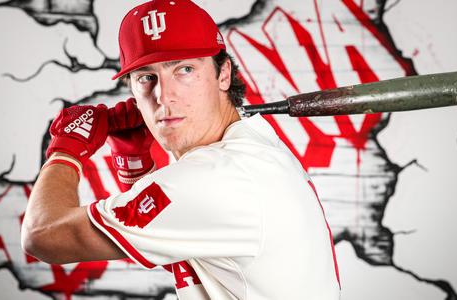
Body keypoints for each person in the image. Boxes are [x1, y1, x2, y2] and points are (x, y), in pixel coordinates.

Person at [21, 0, 340, 299]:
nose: (163, 95)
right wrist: (133, 161)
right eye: (147, 77)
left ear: (223, 74)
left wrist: (65, 148)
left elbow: (43, 236)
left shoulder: (216, 176)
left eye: (184, 70)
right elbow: (174, 236)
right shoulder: (255, 144)